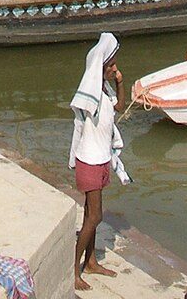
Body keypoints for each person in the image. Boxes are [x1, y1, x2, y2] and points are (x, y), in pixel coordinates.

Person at [69, 33, 128, 290]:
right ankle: (74, 269)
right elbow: (81, 117)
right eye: (111, 65)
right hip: (90, 163)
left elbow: (119, 107)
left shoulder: (104, 92)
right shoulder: (90, 95)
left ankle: (91, 261)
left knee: (89, 216)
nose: (115, 68)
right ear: (100, 68)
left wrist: (120, 83)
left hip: (101, 160)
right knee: (95, 216)